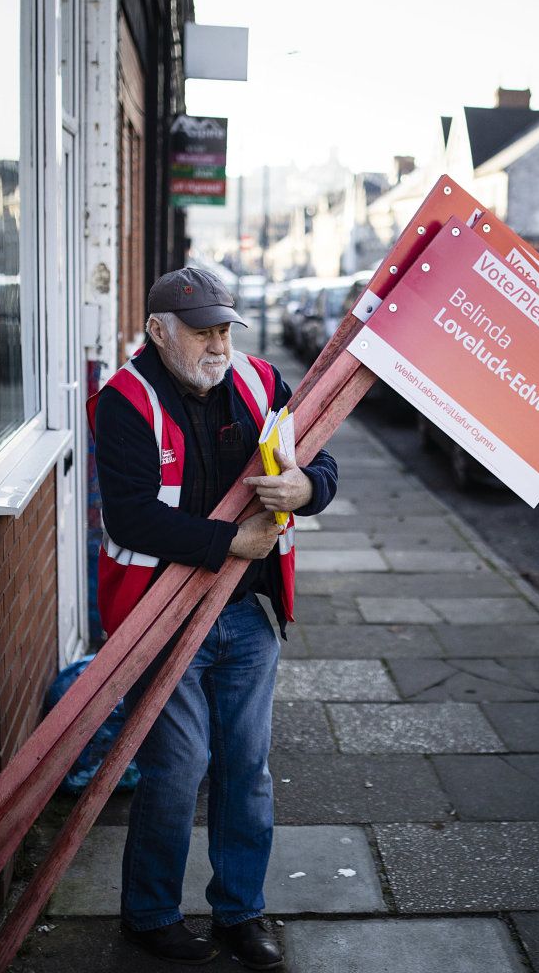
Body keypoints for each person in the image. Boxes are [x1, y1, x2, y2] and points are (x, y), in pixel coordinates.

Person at [91, 266, 337, 968]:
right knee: (176, 768)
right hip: (157, 619)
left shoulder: (261, 383)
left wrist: (305, 486)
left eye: (226, 329)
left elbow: (325, 465)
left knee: (246, 769)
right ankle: (149, 915)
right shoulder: (125, 400)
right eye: (203, 332)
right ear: (159, 331)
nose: (218, 345)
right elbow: (131, 514)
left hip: (243, 617)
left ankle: (240, 913)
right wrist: (230, 540)